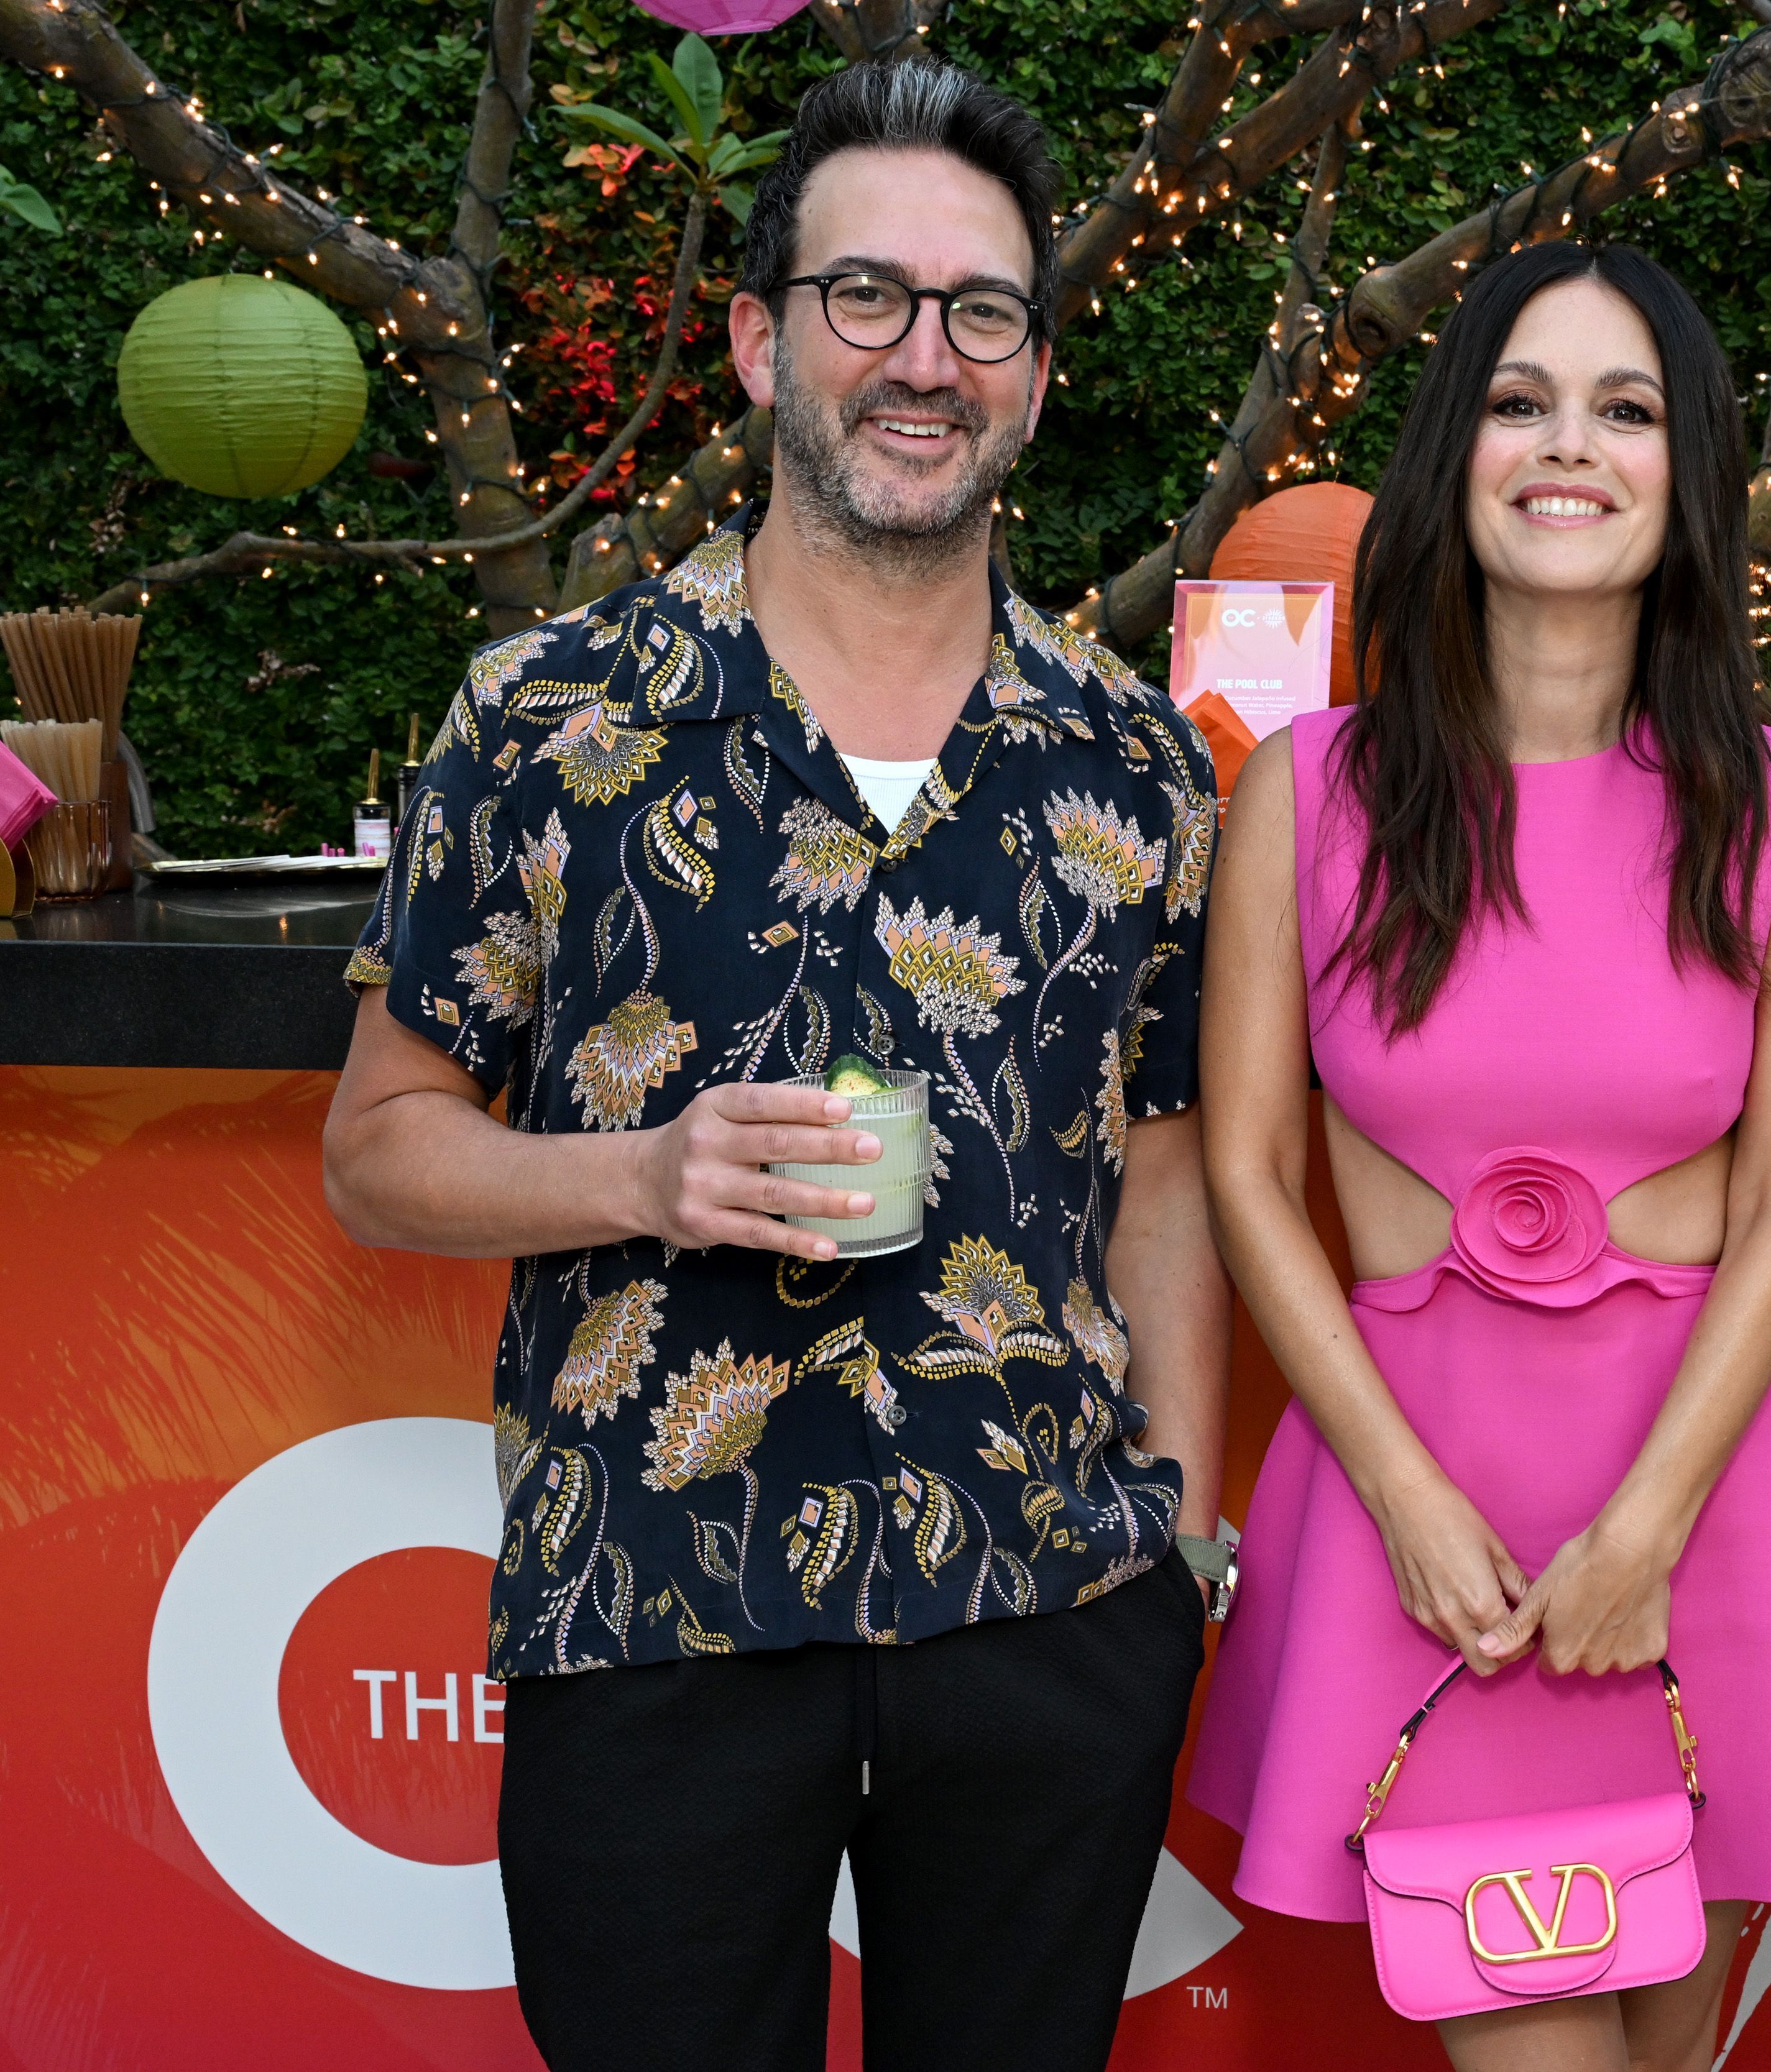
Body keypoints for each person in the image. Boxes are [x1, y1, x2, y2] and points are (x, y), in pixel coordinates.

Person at [321, 55, 1229, 2072]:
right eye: (868, 298)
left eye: (982, 311)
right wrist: (636, 1175)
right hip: (652, 1606)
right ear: (757, 340)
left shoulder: (1137, 763)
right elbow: (379, 1149)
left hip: (1045, 1611)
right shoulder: (551, 717)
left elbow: (1161, 1170)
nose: (927, 357)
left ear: (1036, 373)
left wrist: (1177, 1538)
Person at [1187, 240, 1771, 2072]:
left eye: (1626, 410)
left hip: (1707, 1496)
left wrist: (1648, 1530)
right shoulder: (1303, 794)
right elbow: (1249, 1174)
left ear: (1688, 474)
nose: (1571, 447)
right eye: (1519, 402)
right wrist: (1400, 1494)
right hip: (1436, 1520)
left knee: (1661, 2042)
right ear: (1449, 458)